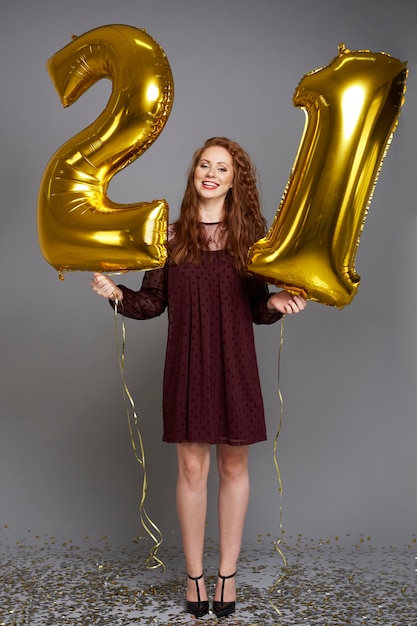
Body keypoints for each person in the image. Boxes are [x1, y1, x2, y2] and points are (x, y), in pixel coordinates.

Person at [91, 137, 306, 618]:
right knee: (192, 470)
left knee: (233, 467)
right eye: (204, 165)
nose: (210, 173)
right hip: (186, 364)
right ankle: (194, 575)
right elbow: (151, 304)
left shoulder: (254, 237)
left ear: (235, 181)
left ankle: (227, 574)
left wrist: (275, 302)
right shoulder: (167, 236)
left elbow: (256, 306)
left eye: (221, 168)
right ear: (194, 173)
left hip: (237, 364)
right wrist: (115, 292)